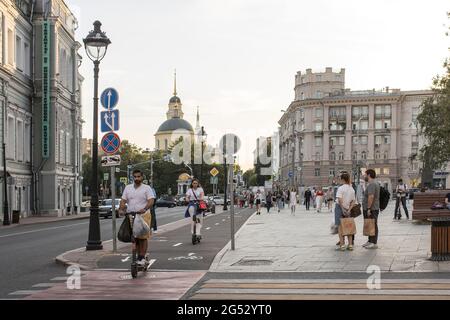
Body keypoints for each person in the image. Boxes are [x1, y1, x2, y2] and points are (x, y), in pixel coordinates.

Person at [119, 169, 155, 266]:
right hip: (131, 215)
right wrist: (121, 209)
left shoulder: (146, 188)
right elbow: (123, 200)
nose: (137, 178)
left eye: (138, 176)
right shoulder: (128, 188)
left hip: (143, 215)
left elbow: (151, 200)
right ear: (132, 177)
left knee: (142, 237)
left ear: (142, 177)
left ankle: (142, 257)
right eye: (135, 177)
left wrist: (145, 208)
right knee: (135, 237)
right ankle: (139, 255)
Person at [335, 172, 356, 251]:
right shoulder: (352, 189)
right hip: (348, 209)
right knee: (348, 226)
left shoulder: (341, 188)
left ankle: (342, 244)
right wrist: (349, 210)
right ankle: (350, 245)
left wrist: (342, 209)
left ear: (343, 179)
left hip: (340, 208)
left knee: (340, 227)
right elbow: (353, 201)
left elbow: (340, 199)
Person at [362, 169, 381, 250]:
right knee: (370, 224)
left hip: (372, 208)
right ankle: (370, 241)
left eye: (365, 175)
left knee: (373, 224)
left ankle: (374, 242)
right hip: (372, 208)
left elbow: (371, 196)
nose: (364, 176)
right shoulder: (372, 183)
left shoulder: (372, 184)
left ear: (369, 175)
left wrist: (369, 208)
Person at [185, 179, 206, 243]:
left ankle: (198, 233)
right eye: (194, 183)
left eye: (196, 183)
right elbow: (187, 197)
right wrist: (187, 199)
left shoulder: (200, 189)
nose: (195, 184)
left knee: (200, 220)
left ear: (198, 184)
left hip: (199, 204)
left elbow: (202, 195)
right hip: (191, 204)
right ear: (192, 184)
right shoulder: (189, 190)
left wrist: (201, 198)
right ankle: (193, 232)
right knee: (193, 220)